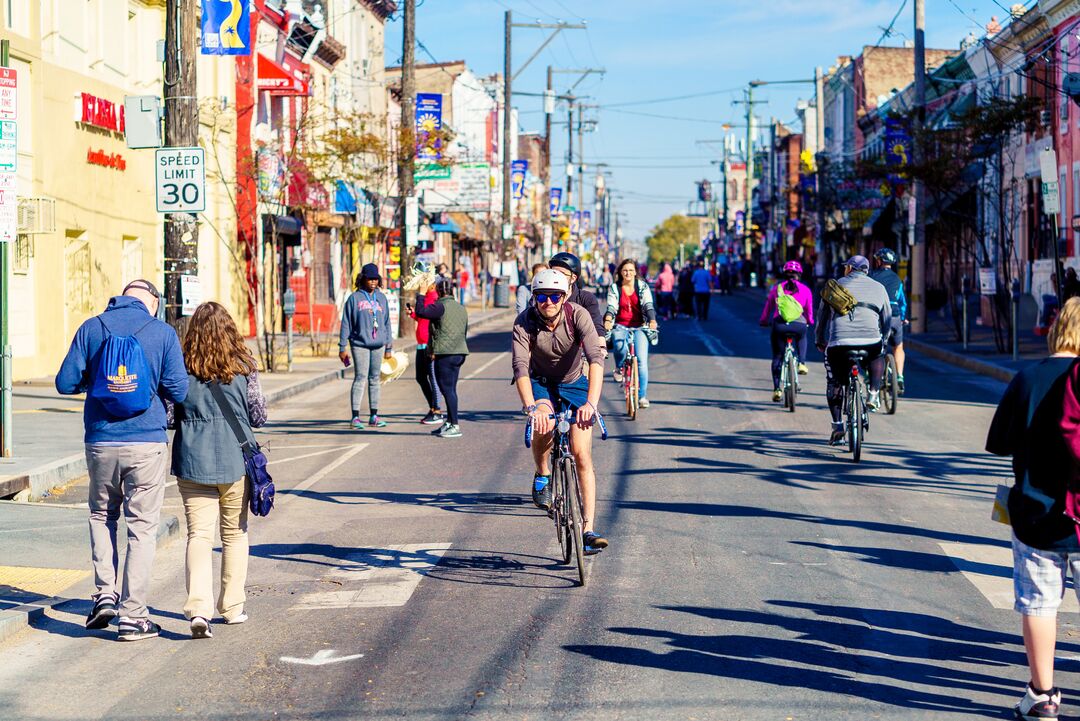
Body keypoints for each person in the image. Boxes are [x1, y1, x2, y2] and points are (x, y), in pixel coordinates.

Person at [56, 280, 189, 641]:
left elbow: (65, 383)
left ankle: (103, 595)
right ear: (153, 304)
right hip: (146, 442)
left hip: (100, 440)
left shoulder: (92, 327)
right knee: (142, 528)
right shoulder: (161, 332)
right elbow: (178, 390)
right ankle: (133, 616)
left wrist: (96, 382)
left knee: (101, 515)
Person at [987, 297, 1080, 721]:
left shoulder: (1028, 379)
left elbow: (1000, 443)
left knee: (1041, 604)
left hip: (1037, 515)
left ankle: (1042, 696)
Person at [168, 302, 266, 638]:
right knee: (235, 534)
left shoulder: (181, 367)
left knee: (198, 534)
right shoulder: (245, 365)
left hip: (193, 460)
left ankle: (199, 609)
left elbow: (169, 417)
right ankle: (233, 607)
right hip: (236, 460)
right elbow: (258, 415)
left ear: (192, 332)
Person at [511, 269, 609, 554]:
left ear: (564, 296)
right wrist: (532, 407)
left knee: (581, 453)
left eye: (555, 296)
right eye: (542, 296)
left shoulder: (578, 315)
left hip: (575, 383)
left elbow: (595, 359)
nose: (548, 302)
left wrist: (591, 403)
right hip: (541, 383)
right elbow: (520, 367)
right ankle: (542, 474)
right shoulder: (524, 322)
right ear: (534, 298)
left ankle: (588, 529)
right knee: (543, 423)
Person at [815, 255, 891, 444]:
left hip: (839, 344)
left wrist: (819, 339)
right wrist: (884, 339)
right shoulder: (879, 287)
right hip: (870, 341)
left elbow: (822, 318)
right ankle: (873, 393)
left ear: (849, 269)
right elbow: (887, 319)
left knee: (834, 382)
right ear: (866, 270)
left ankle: (838, 426)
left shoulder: (834, 286)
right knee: (877, 353)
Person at [338, 264, 394, 429]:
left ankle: (374, 416)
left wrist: (389, 346)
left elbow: (387, 323)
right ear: (363, 279)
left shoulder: (381, 298)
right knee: (361, 377)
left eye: (375, 279)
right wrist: (342, 347)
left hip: (379, 345)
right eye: (370, 279)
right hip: (360, 344)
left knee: (375, 379)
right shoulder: (354, 299)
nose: (373, 282)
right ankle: (355, 417)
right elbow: (346, 324)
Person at [414, 277, 469, 438]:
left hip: (445, 353)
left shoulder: (440, 306)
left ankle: (455, 425)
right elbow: (464, 330)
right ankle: (450, 422)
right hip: (459, 352)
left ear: (439, 291)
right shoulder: (460, 308)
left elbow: (421, 312)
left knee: (447, 390)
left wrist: (421, 294)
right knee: (450, 389)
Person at [603, 259, 658, 408]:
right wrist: (608, 319)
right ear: (620, 272)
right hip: (620, 325)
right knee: (619, 345)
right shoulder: (615, 288)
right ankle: (619, 367)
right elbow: (612, 306)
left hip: (640, 326)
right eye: (625, 270)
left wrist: (652, 320)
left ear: (636, 272)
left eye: (631, 270)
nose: (628, 273)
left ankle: (642, 397)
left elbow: (648, 305)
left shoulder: (642, 286)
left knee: (641, 361)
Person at [760, 260, 814, 401]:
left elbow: (768, 308)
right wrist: (810, 322)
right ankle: (802, 363)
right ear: (799, 275)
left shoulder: (776, 289)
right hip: (798, 326)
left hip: (780, 326)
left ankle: (777, 389)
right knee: (802, 337)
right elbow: (809, 311)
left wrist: (764, 321)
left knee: (777, 357)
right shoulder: (806, 290)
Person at [871, 248, 909, 394]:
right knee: (898, 347)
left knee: (874, 349)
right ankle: (900, 377)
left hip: (878, 317)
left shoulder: (873, 276)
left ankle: (870, 376)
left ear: (879, 261)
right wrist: (904, 317)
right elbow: (902, 301)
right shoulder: (897, 279)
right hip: (895, 317)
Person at [408, 280, 444, 426]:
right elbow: (422, 315)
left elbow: (429, 315)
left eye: (426, 281)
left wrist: (421, 294)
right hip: (421, 344)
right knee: (420, 377)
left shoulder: (434, 297)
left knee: (433, 378)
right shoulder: (427, 297)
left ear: (433, 284)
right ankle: (432, 407)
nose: (422, 284)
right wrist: (414, 315)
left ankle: (437, 410)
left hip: (429, 345)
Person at [548, 251, 606, 337]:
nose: (556, 277)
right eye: (554, 272)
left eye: (562, 274)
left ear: (573, 278)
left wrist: (601, 347)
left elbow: (596, 327)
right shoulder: (541, 295)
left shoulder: (586, 298)